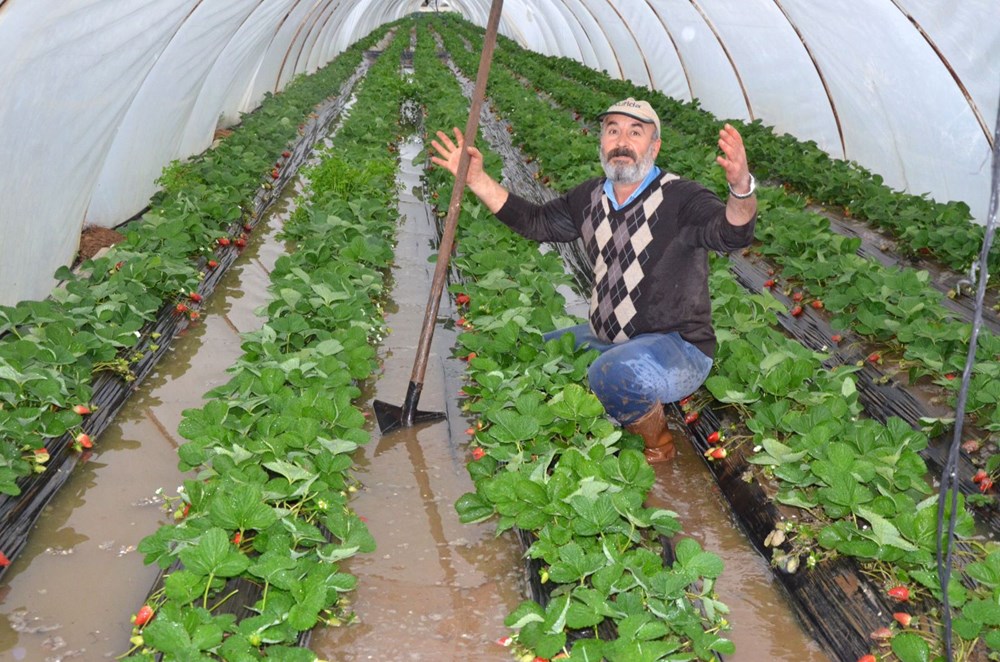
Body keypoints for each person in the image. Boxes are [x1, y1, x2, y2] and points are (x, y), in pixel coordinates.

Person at [429, 97, 757, 462]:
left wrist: (741, 187)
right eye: (613, 130)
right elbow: (536, 222)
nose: (622, 142)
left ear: (655, 145)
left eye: (636, 132)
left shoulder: (680, 197)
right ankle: (602, 410)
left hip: (677, 349)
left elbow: (732, 233)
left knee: (612, 374)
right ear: (601, 141)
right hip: (607, 338)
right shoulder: (588, 197)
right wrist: (476, 179)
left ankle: (660, 444)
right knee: (538, 353)